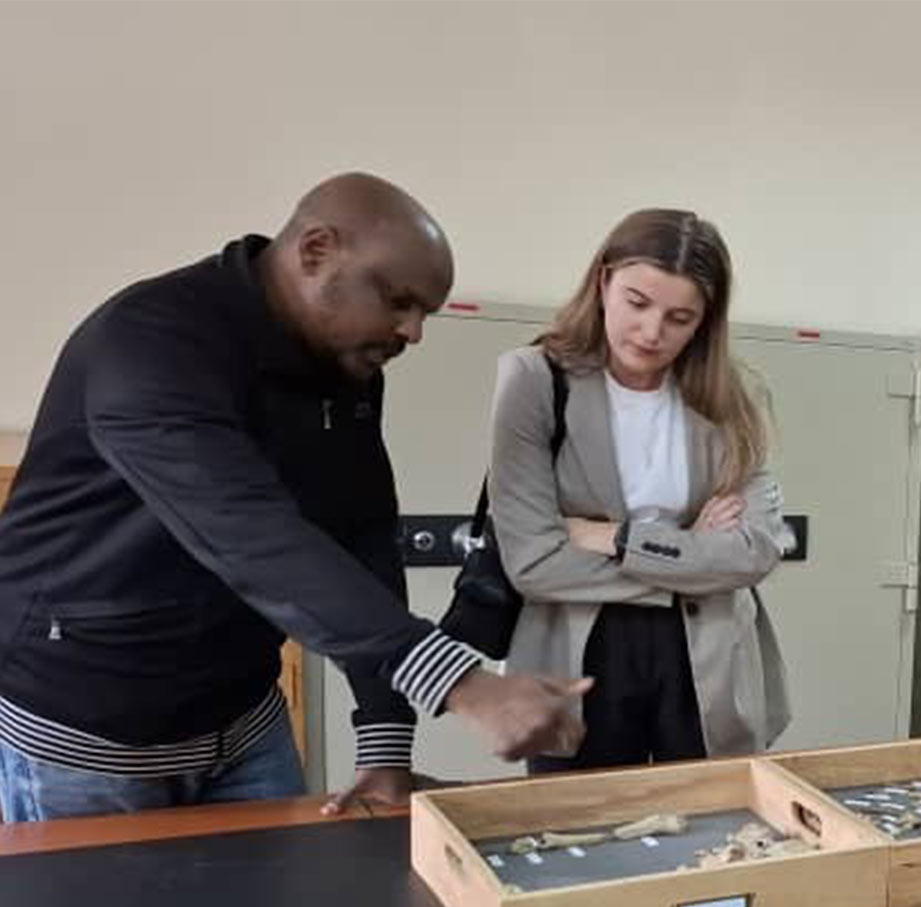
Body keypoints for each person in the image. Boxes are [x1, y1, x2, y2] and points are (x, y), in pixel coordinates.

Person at [0, 174, 586, 823]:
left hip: (244, 726)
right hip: (87, 745)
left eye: (424, 311)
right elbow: (248, 534)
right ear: (315, 251)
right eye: (398, 301)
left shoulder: (345, 366)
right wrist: (459, 683)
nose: (414, 332)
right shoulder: (150, 342)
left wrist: (385, 742)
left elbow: (363, 534)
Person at [488, 209, 790, 772]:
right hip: (581, 648)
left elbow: (756, 550)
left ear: (706, 320)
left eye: (679, 317)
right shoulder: (533, 379)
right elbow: (533, 561)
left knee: (712, 828)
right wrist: (688, 550)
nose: (652, 333)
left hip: (706, 648)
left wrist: (615, 538)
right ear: (603, 282)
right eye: (637, 303)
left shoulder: (736, 391)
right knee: (578, 836)